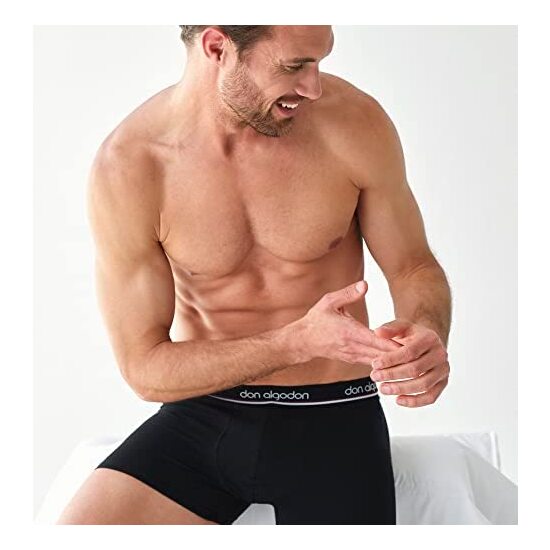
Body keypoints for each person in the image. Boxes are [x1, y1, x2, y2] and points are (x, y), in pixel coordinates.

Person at [56, 25, 452, 525]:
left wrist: (426, 332)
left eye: (319, 62)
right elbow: (144, 368)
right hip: (203, 416)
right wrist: (294, 342)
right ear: (217, 47)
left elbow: (414, 265)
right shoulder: (131, 167)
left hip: (334, 418)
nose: (314, 87)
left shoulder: (352, 123)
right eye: (294, 66)